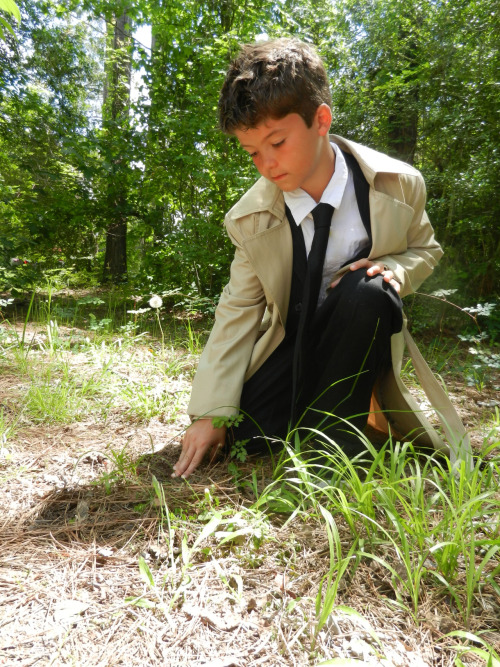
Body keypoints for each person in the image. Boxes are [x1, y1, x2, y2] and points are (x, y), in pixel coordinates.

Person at [172, 38, 470, 479]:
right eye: (253, 152)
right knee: (252, 436)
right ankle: (310, 420)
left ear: (321, 120)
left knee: (369, 290)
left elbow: (426, 249)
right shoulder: (250, 218)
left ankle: (333, 449)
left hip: (354, 340)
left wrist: (395, 271)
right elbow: (237, 311)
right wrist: (210, 412)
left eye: (277, 141)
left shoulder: (397, 185)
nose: (267, 164)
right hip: (287, 345)